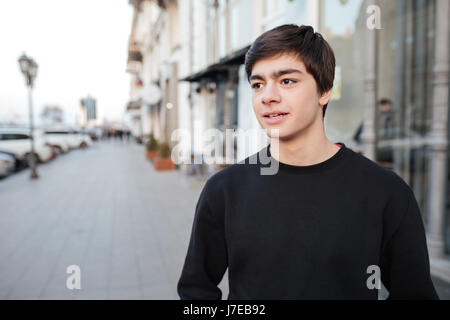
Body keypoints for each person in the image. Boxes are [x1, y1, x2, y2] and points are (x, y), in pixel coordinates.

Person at [177, 24, 438, 300]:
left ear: (325, 90)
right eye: (258, 84)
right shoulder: (224, 190)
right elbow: (196, 291)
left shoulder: (385, 192)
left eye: (287, 81)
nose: (268, 96)